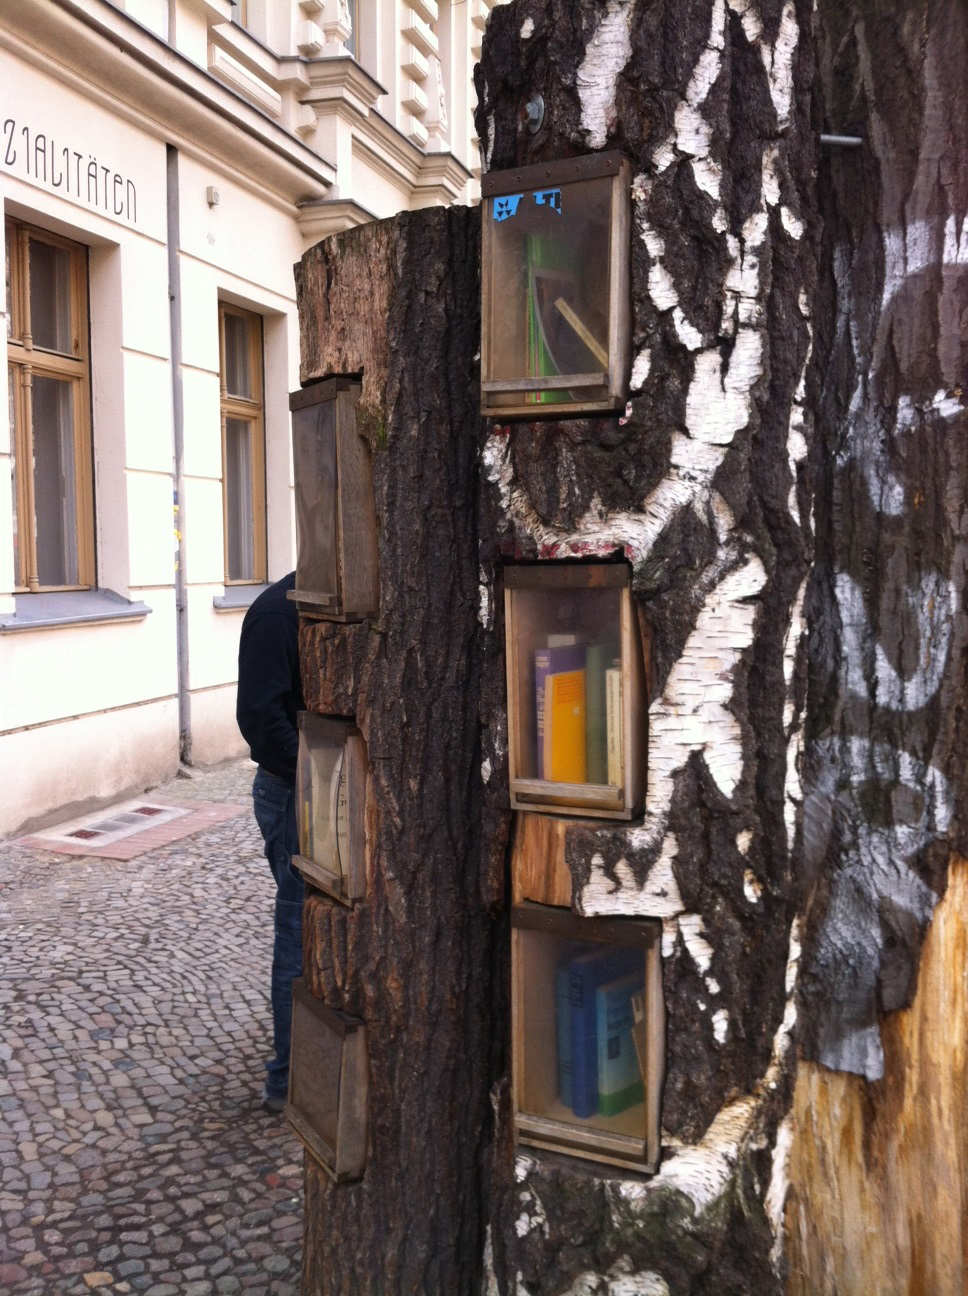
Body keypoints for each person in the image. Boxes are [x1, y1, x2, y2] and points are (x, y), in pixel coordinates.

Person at [236, 570, 304, 1113]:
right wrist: (320, 770)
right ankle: (287, 1079)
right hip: (291, 790)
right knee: (298, 929)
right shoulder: (276, 613)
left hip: (315, 786)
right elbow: (259, 719)